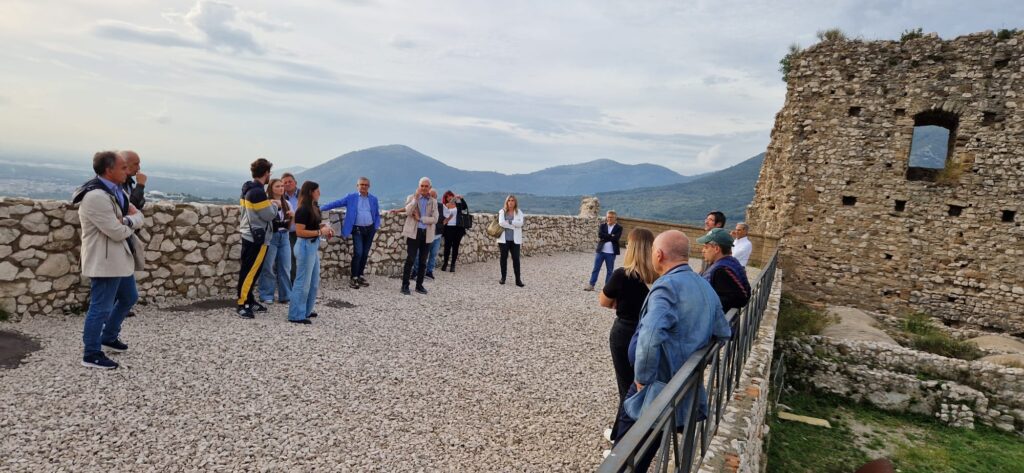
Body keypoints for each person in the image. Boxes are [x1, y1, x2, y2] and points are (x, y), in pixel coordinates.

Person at [613, 230, 730, 472]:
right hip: (683, 384)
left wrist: (642, 380)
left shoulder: (666, 287)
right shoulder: (704, 285)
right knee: (647, 447)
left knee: (627, 454)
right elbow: (723, 332)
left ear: (659, 254)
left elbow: (650, 337)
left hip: (657, 384)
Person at [72, 151, 145, 369]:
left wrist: (130, 219)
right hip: (105, 262)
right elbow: (117, 231)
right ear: (108, 170)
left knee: (129, 297)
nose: (129, 171)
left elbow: (134, 214)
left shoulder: (114, 191)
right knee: (100, 308)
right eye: (123, 168)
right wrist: (133, 221)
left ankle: (109, 336)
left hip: (119, 259)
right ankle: (91, 353)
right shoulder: (95, 196)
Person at [598, 227, 658, 444]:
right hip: (650, 335)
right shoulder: (659, 277)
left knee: (627, 387)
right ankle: (628, 432)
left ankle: (621, 440)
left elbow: (603, 301)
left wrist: (619, 301)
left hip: (625, 333)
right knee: (642, 384)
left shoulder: (622, 275)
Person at [320, 176, 381, 289]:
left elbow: (377, 213)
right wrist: (321, 208)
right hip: (357, 229)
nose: (363, 186)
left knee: (365, 253)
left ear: (369, 186)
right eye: (361, 184)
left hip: (370, 229)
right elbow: (337, 203)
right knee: (358, 253)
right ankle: (354, 277)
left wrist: (376, 225)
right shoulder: (351, 197)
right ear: (357, 186)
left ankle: (360, 275)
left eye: (365, 185)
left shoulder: (373, 199)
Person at [236, 158, 278, 319]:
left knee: (251, 270)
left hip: (249, 233)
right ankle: (243, 303)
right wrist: (274, 205)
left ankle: (249, 299)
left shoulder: (248, 189)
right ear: (266, 173)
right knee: (250, 271)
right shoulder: (258, 192)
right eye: (269, 173)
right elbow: (268, 215)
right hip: (257, 237)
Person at [289, 181, 333, 324]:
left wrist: (325, 227)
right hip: (305, 247)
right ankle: (296, 315)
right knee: (302, 282)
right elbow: (300, 231)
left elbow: (312, 224)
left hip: (312, 246)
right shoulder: (302, 210)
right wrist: (320, 231)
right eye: (317, 191)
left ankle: (306, 310)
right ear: (310, 192)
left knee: (313, 282)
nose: (319, 193)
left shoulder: (314, 207)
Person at [697, 228, 751, 313]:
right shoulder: (730, 262)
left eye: (706, 247)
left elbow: (741, 298)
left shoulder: (721, 271)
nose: (703, 251)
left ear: (716, 249)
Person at [257, 178, 293, 305]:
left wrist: (292, 217)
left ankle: (285, 295)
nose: (281, 188)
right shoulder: (267, 202)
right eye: (278, 186)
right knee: (268, 266)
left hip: (284, 236)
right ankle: (266, 294)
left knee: (285, 266)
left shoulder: (287, 203)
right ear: (271, 188)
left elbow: (289, 224)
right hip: (271, 236)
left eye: (282, 186)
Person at [400, 177, 438, 295]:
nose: (424, 188)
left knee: (422, 261)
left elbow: (435, 219)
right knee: (410, 259)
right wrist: (415, 199)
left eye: (426, 186)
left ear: (429, 188)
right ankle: (405, 286)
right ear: (418, 186)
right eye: (422, 186)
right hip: (413, 233)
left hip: (427, 234)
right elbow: (408, 211)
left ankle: (419, 285)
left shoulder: (434, 201)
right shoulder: (411, 198)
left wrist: (420, 219)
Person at [119, 150, 145, 318]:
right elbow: (129, 206)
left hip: (127, 232)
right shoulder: (118, 184)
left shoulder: (127, 183)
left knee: (125, 271)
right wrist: (141, 186)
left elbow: (137, 206)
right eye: (136, 164)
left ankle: (119, 306)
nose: (139, 168)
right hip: (119, 233)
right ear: (125, 164)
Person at [586, 210, 622, 291]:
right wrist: (611, 236)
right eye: (608, 217)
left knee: (610, 271)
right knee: (596, 268)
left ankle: (607, 288)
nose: (609, 219)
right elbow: (600, 235)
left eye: (611, 217)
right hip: (601, 251)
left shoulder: (619, 227)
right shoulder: (602, 226)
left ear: (615, 218)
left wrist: (606, 236)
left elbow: (616, 238)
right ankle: (591, 285)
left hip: (611, 253)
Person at [412, 188, 444, 279]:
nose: (433, 197)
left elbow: (447, 214)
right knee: (420, 255)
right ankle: (416, 272)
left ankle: (429, 272)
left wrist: (443, 224)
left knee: (433, 255)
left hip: (437, 235)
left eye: (435, 196)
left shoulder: (441, 206)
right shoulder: (425, 203)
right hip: (426, 234)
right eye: (431, 195)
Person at [497, 194, 525, 287]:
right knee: (503, 258)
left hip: (515, 240)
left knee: (516, 259)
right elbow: (501, 223)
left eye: (512, 200)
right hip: (504, 240)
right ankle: (503, 278)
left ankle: (518, 280)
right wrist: (513, 226)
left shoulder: (519, 212)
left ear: (515, 202)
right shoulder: (502, 211)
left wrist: (510, 222)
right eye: (509, 200)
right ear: (506, 202)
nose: (511, 202)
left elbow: (520, 223)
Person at [440, 190, 469, 273]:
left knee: (455, 247)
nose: (449, 197)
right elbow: (443, 216)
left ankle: (453, 265)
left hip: (458, 228)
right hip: (448, 228)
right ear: (445, 198)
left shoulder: (458, 204)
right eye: (447, 196)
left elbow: (465, 207)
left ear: (453, 196)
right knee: (447, 247)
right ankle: (445, 264)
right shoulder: (445, 205)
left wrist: (462, 199)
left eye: (450, 196)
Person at [281, 173, 300, 282]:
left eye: (290, 181)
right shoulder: (280, 195)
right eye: (285, 182)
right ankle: (292, 283)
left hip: (302, 232)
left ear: (295, 182)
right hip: (287, 232)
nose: (288, 184)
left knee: (302, 258)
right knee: (290, 258)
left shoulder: (304, 194)